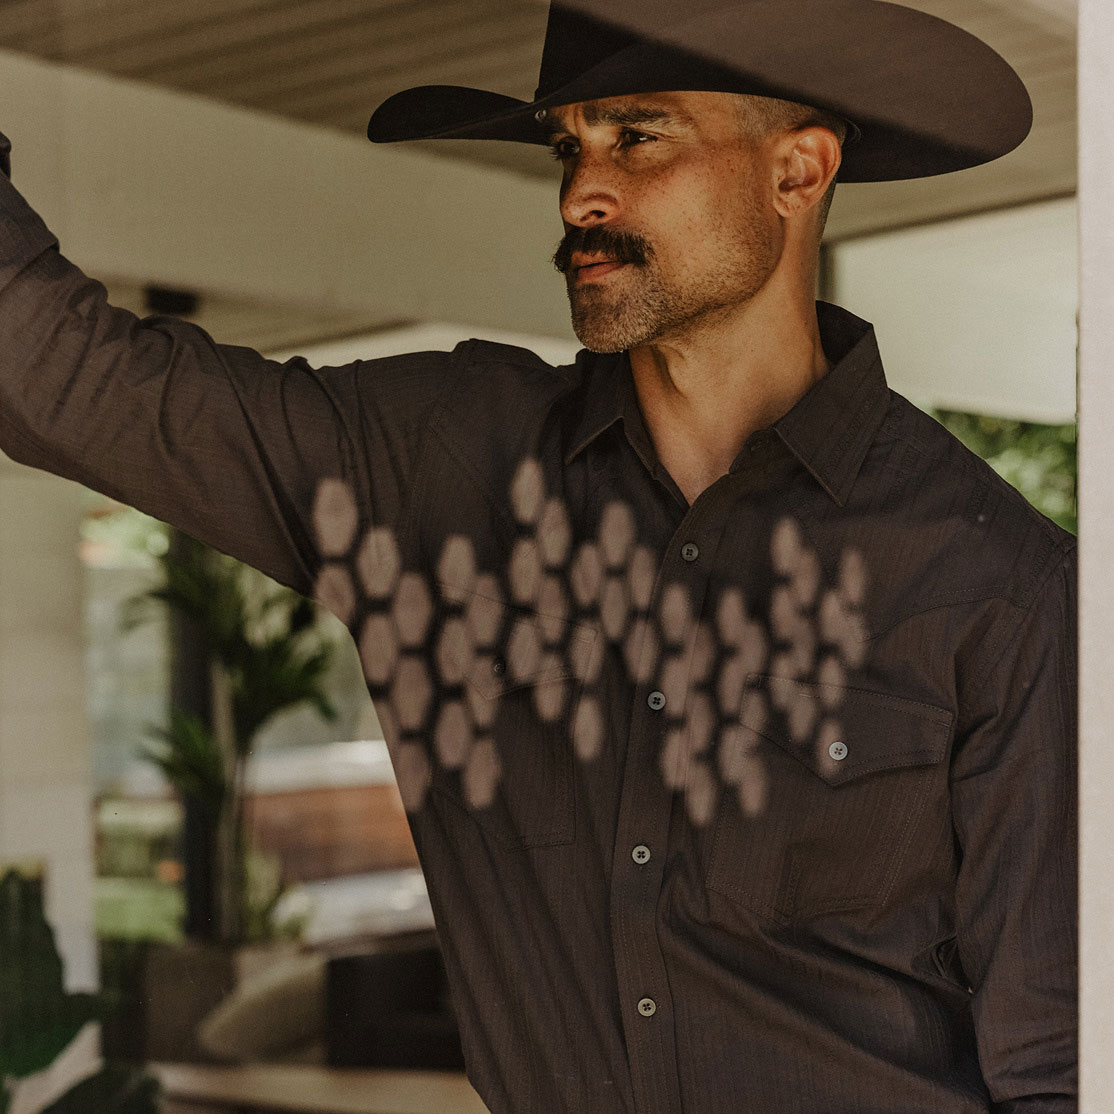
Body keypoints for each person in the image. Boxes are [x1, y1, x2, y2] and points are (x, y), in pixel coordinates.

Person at [0, 1, 1075, 1111]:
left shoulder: (1001, 582)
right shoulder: (436, 471)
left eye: (636, 137)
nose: (578, 195)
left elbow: (1059, 1061)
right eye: (570, 146)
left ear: (797, 172)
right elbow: (62, 379)